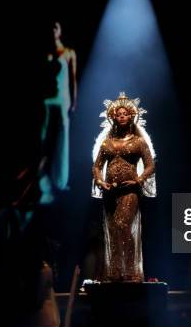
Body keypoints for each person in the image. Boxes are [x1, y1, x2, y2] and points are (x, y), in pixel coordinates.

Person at [91, 92, 156, 282]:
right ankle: (115, 271)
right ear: (112, 117)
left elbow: (151, 164)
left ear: (131, 117)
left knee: (122, 225)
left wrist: (138, 180)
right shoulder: (106, 143)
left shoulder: (139, 142)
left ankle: (130, 270)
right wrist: (101, 181)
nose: (121, 116)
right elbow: (96, 166)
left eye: (125, 113)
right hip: (110, 191)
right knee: (112, 229)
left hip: (130, 191)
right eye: (117, 113)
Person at [39, 21, 77, 204]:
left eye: (55, 27)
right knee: (44, 134)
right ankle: (40, 173)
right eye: (50, 27)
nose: (52, 30)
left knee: (62, 137)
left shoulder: (69, 52)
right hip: (48, 98)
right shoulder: (46, 52)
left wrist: (74, 102)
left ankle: (60, 179)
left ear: (60, 31)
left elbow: (73, 78)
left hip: (63, 98)